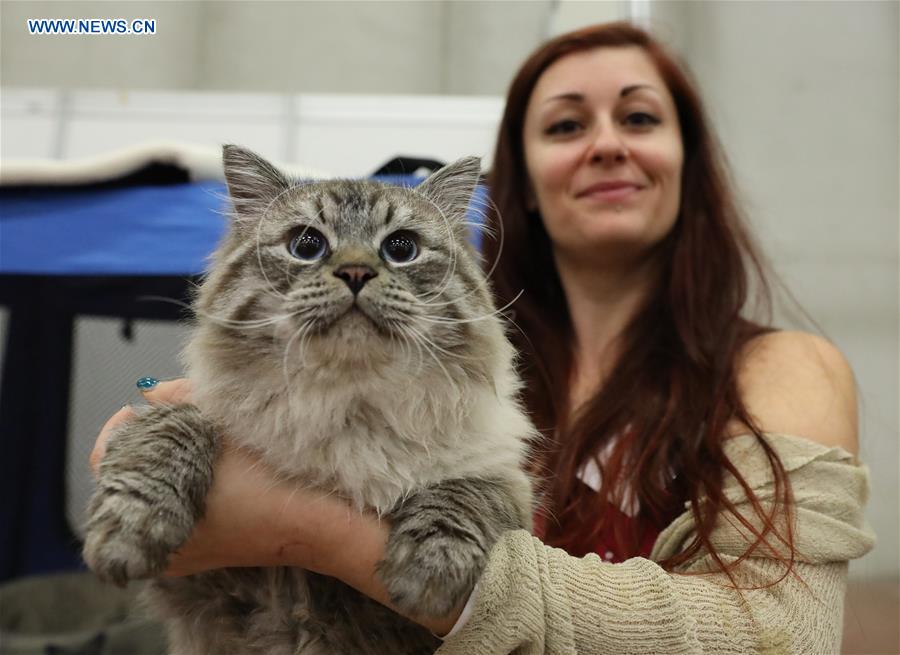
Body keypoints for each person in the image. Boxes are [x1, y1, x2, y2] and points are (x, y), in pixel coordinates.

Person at [92, 21, 873, 654]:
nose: (606, 142)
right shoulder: (479, 349)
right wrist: (156, 421)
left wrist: (308, 530)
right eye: (567, 123)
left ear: (689, 162)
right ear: (521, 180)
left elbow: (782, 639)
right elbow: (162, 402)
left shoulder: (781, 368)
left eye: (639, 117)